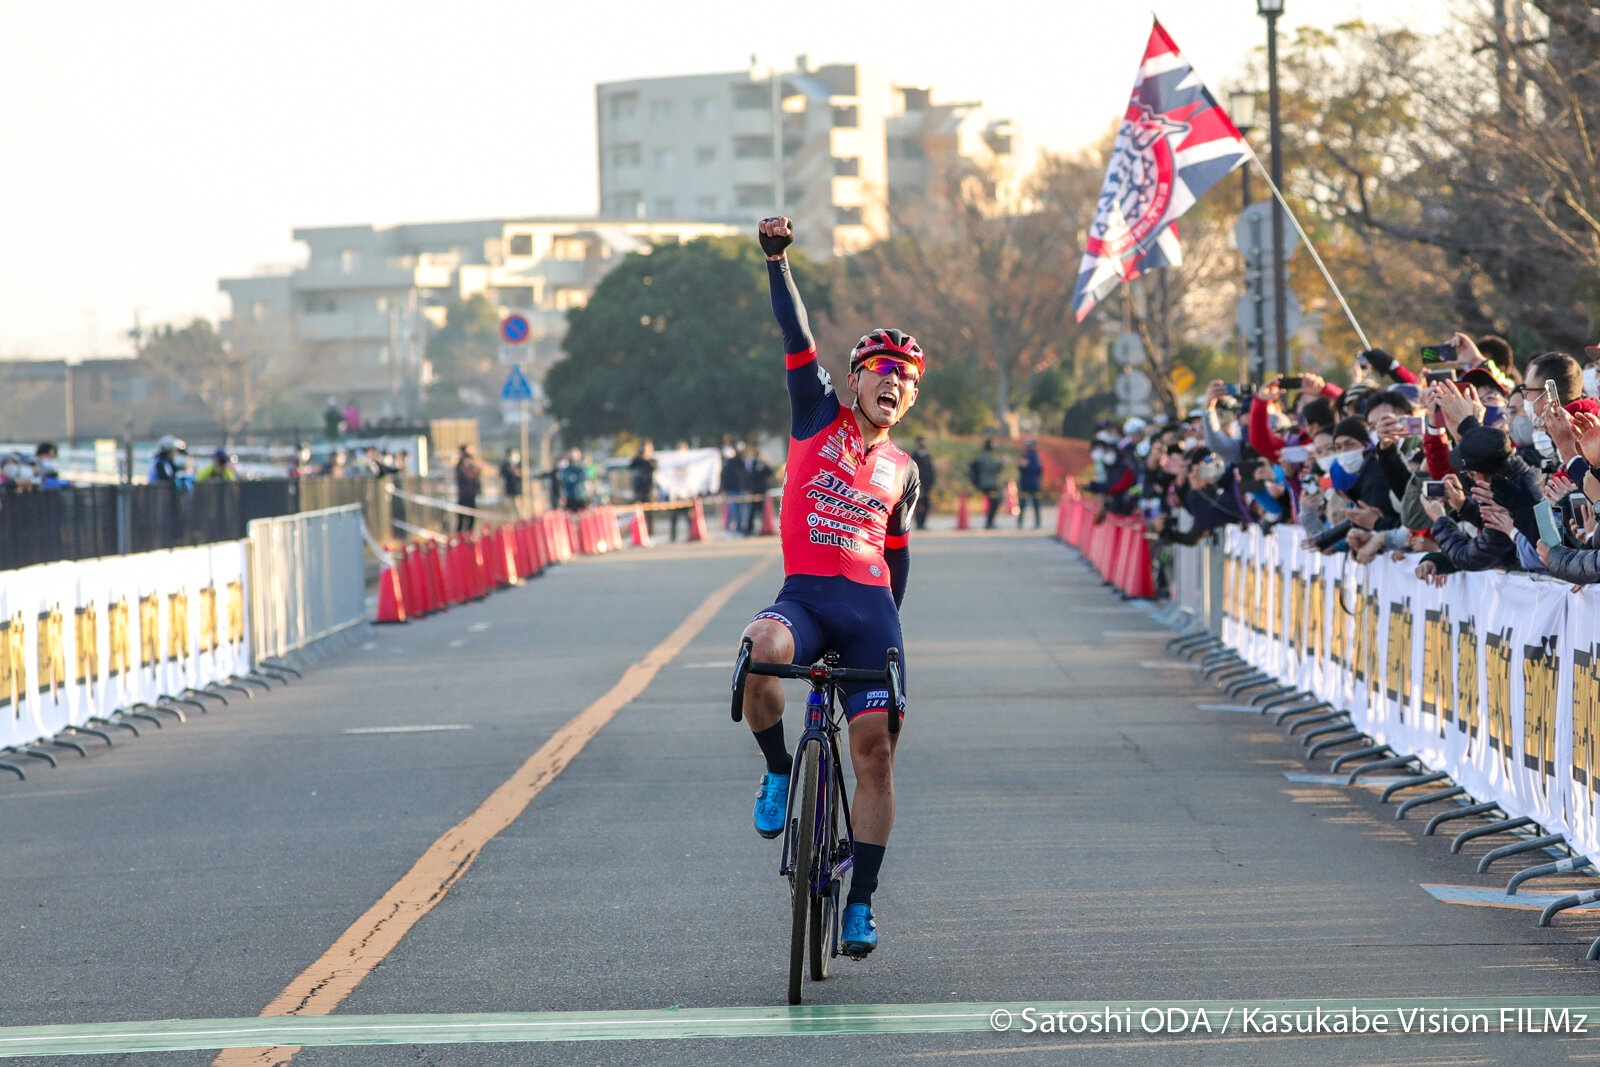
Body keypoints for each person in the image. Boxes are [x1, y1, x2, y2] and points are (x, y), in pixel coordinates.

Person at [738, 215, 922, 959]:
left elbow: (900, 559)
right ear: (856, 379)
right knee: (760, 649)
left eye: (907, 379)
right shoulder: (818, 411)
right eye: (883, 371)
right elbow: (795, 330)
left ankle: (862, 903)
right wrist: (778, 260)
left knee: (873, 752)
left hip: (870, 612)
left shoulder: (905, 469)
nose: (895, 384)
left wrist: (886, 638)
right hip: (806, 597)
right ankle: (781, 771)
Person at [968, 438, 1003, 528]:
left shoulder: (988, 455)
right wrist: (1001, 463)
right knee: (994, 502)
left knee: (994, 502)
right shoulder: (986, 455)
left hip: (990, 483)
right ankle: (989, 522)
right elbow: (991, 468)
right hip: (988, 484)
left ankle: (990, 522)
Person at [743, 445, 773, 534]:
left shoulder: (764, 464)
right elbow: (748, 476)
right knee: (752, 511)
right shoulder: (751, 463)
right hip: (754, 490)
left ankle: (764, 528)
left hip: (762, 490)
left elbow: (770, 474)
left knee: (763, 512)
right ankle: (750, 529)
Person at [909, 436, 936, 530]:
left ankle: (923, 522)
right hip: (917, 485)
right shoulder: (914, 457)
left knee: (926, 504)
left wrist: (931, 483)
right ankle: (918, 523)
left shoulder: (928, 457)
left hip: (927, 485)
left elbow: (931, 471)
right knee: (918, 504)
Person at [454, 444, 482, 532]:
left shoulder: (472, 464)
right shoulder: (460, 465)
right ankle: (460, 537)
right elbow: (468, 476)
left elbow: (477, 473)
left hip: (471, 494)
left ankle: (470, 534)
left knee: (471, 518)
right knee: (461, 518)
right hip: (464, 494)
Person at [721, 444, 748, 534]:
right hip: (732, 490)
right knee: (732, 510)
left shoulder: (740, 462)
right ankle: (730, 527)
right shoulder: (727, 465)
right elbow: (724, 478)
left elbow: (745, 475)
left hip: (740, 489)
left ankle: (739, 528)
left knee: (740, 511)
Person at [1017, 439, 1044, 528]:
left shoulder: (1035, 457)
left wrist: (1026, 466)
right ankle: (1020, 522)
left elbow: (1038, 469)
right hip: (1025, 483)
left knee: (1036, 503)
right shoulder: (1024, 456)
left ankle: (1037, 522)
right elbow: (1020, 468)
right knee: (1022, 503)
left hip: (1033, 483)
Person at [558, 447, 589, 512]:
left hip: (581, 497)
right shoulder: (566, 470)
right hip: (570, 497)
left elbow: (584, 480)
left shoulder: (582, 469)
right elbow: (564, 482)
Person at [500, 448, 524, 517]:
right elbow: (502, 476)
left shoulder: (520, 465)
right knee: (510, 509)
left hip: (518, 491)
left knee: (518, 507)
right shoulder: (505, 466)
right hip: (508, 490)